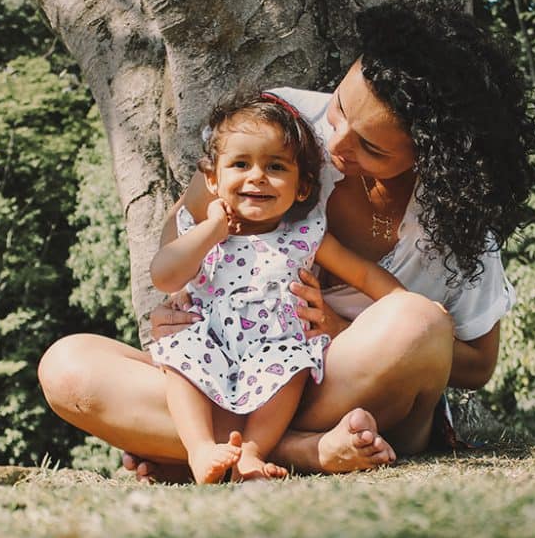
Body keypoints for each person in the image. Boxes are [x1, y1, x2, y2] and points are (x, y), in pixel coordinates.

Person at [38, 0, 535, 481]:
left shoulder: (458, 216)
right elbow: (183, 221)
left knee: (416, 322)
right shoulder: (281, 128)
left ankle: (197, 446)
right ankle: (299, 450)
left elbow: (477, 365)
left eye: (369, 147)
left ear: (432, 156)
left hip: (346, 385)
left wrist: (343, 334)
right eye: (341, 108)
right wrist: (181, 296)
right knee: (68, 366)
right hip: (230, 367)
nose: (335, 143)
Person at [150, 92, 405, 483]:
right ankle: (200, 449)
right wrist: (214, 228)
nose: (256, 176)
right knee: (180, 359)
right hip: (210, 342)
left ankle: (252, 452)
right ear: (214, 180)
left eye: (275, 166)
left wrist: (402, 305)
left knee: (294, 364)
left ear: (302, 187)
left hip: (275, 348)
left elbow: (367, 276)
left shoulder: (305, 237)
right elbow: (164, 275)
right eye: (240, 164)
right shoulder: (203, 235)